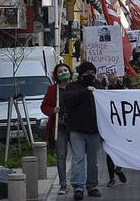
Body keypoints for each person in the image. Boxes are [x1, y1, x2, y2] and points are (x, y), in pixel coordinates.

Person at [63, 62, 103, 200]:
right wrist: (85, 92)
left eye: (93, 72)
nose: (90, 75)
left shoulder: (99, 87)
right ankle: (78, 188)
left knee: (93, 161)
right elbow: (68, 100)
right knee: (78, 159)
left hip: (94, 130)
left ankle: (92, 186)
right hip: (77, 130)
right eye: (87, 73)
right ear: (81, 74)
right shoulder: (72, 87)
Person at [40, 63, 72, 195]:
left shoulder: (75, 87)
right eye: (60, 71)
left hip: (75, 127)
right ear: (56, 75)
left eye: (65, 70)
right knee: (61, 156)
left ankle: (77, 182)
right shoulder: (53, 90)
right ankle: (63, 184)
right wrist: (52, 110)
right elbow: (44, 106)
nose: (63, 72)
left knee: (78, 156)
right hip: (60, 127)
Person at [105, 75, 127, 187]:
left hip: (122, 126)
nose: (112, 77)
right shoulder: (102, 88)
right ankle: (111, 178)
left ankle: (118, 169)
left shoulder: (122, 87)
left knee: (122, 150)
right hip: (109, 125)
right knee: (109, 152)